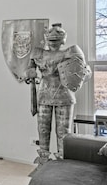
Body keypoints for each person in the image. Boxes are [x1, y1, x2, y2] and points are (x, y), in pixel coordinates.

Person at [24, 23, 90, 165]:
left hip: (64, 95)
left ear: (63, 39)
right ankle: (43, 161)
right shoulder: (38, 53)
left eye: (57, 36)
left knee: (64, 132)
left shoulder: (72, 51)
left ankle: (62, 163)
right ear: (46, 38)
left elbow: (85, 73)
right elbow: (29, 70)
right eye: (51, 36)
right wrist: (29, 73)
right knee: (43, 130)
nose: (54, 39)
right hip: (43, 93)